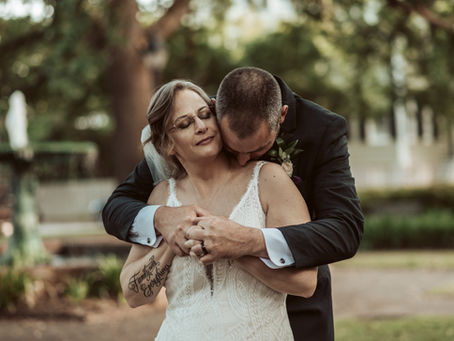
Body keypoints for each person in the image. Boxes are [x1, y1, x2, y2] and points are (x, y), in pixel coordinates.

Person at [103, 67, 364, 340]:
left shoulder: (315, 135)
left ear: (282, 118)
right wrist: (162, 220)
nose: (243, 160)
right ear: (217, 111)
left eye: (256, 150)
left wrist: (245, 242)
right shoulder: (196, 123)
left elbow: (344, 229)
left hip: (289, 314)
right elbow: (117, 207)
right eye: (185, 123)